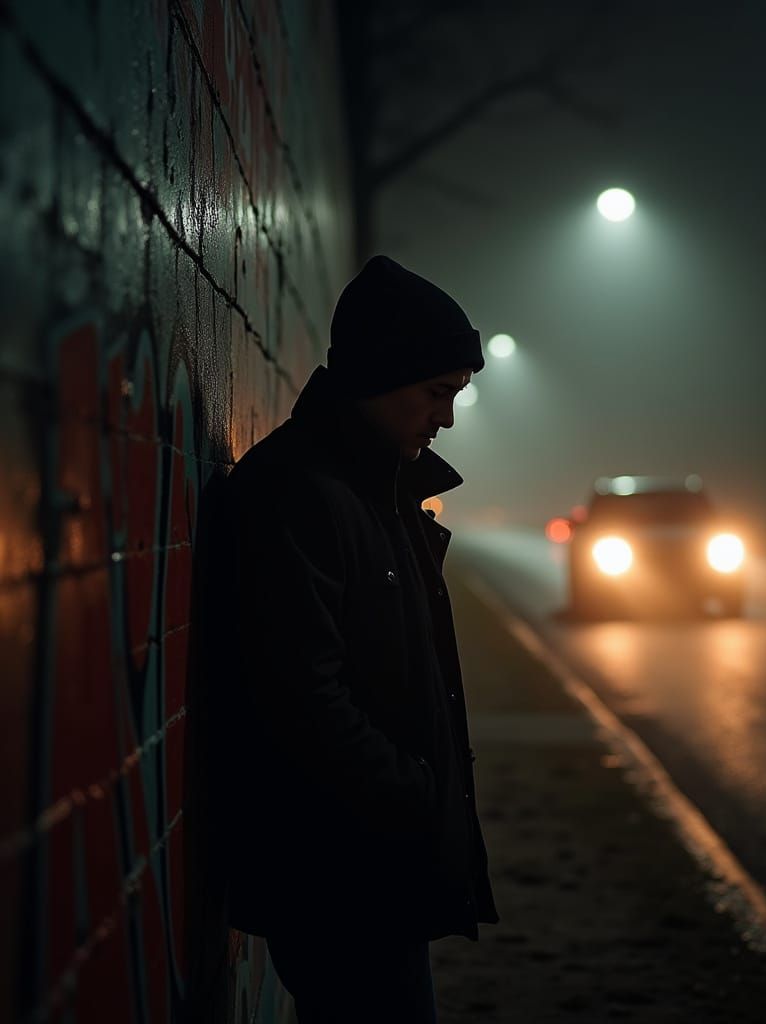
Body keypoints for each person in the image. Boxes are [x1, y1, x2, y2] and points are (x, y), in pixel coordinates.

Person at [220, 255, 498, 1021]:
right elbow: (300, 693)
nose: (444, 419)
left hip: (371, 865)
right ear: (381, 374)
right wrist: (412, 793)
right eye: (436, 394)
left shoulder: (376, 490)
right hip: (337, 872)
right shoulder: (297, 492)